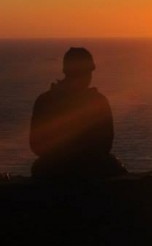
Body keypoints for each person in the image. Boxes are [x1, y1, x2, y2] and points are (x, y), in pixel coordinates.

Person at [30, 47, 126, 179]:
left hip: (52, 169)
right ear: (88, 72)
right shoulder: (97, 102)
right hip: (89, 168)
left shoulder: (44, 100)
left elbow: (36, 145)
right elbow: (106, 144)